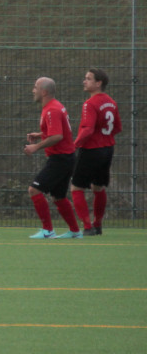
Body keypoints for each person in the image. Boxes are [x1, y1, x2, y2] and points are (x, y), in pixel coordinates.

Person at [23, 76, 82, 239]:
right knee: (59, 197)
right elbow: (58, 131)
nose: (32, 90)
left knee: (34, 190)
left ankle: (47, 230)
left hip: (60, 159)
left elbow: (57, 136)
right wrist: (41, 134)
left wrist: (36, 146)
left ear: (44, 91)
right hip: (66, 157)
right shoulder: (53, 107)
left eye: (35, 87)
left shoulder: (52, 110)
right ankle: (75, 232)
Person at [71, 69, 121, 236]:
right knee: (98, 187)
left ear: (98, 83)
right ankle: (98, 225)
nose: (84, 81)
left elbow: (87, 129)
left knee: (76, 187)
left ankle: (87, 227)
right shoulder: (112, 102)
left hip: (91, 150)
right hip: (108, 149)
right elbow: (118, 128)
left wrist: (75, 145)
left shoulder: (90, 103)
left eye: (88, 79)